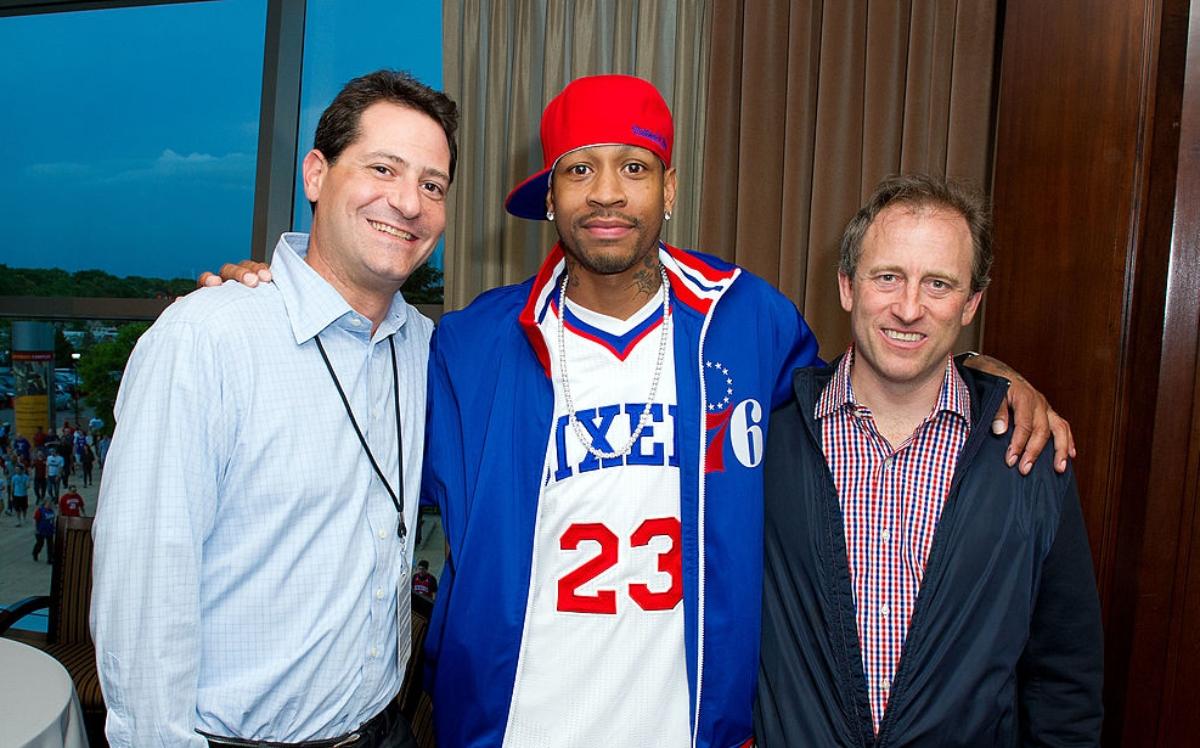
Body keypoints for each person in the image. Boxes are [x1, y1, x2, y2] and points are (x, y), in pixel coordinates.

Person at [416, 76, 1073, 747]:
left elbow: (864, 383)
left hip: (690, 730)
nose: (607, 192)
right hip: (513, 725)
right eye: (579, 168)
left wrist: (983, 375)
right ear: (550, 196)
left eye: (634, 167)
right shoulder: (470, 347)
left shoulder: (749, 319)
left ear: (669, 190)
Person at [90, 69, 457, 748]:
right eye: (383, 168)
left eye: (432, 185)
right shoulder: (206, 339)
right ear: (316, 175)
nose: (408, 202)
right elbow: (143, 594)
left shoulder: (428, 352)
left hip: (382, 730)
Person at [755, 174, 1103, 744]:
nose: (909, 307)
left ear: (971, 303)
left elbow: (1064, 677)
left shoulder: (1027, 456)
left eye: (938, 284)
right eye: (887, 277)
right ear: (847, 286)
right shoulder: (770, 437)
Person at [32, 496, 56, 564]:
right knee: (40, 544)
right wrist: (36, 529)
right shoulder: (40, 511)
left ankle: (50, 559)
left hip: (49, 530)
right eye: (49, 503)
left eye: (51, 503)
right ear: (45, 503)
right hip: (41, 531)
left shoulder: (51, 511)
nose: (51, 505)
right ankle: (35, 553)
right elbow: (36, 520)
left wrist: (54, 527)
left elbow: (52, 520)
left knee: (50, 545)